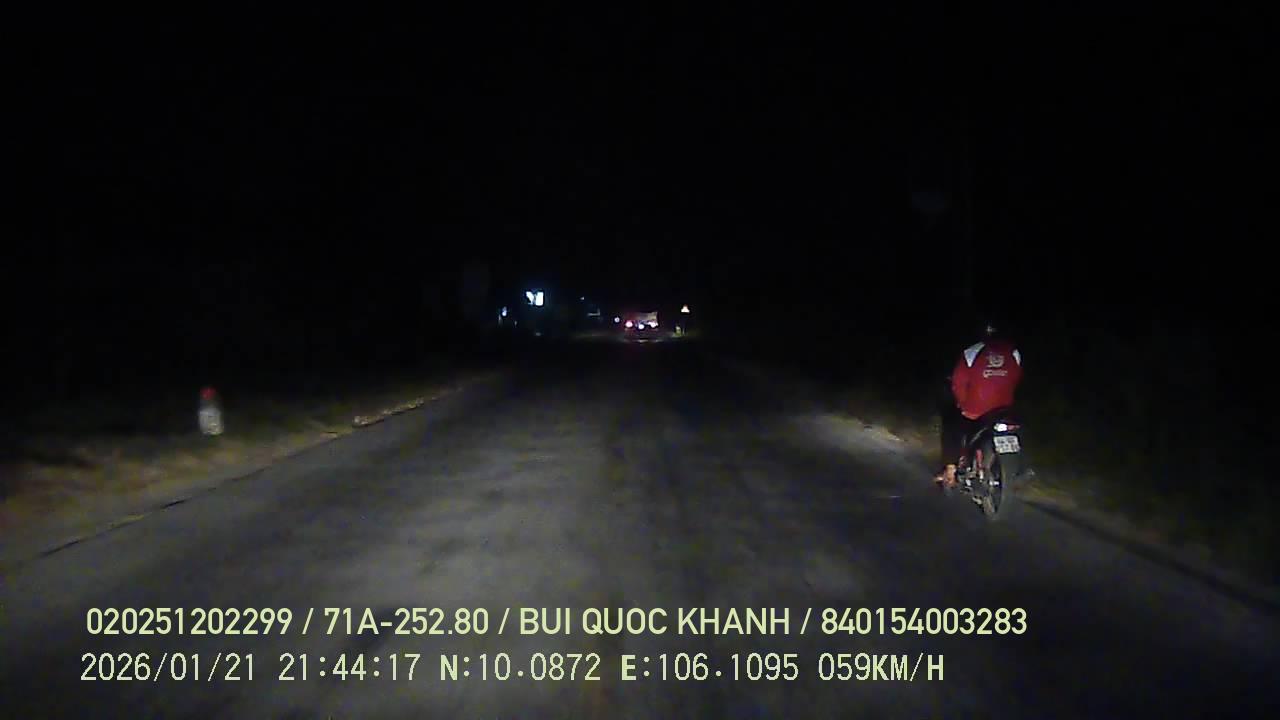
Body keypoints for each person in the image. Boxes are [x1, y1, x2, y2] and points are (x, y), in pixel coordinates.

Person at [935, 321, 1024, 488]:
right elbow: (1016, 377)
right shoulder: (1014, 352)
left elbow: (958, 383)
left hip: (976, 410)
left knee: (951, 425)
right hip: (1003, 409)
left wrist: (962, 404)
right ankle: (1019, 470)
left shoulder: (972, 352)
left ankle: (950, 470)